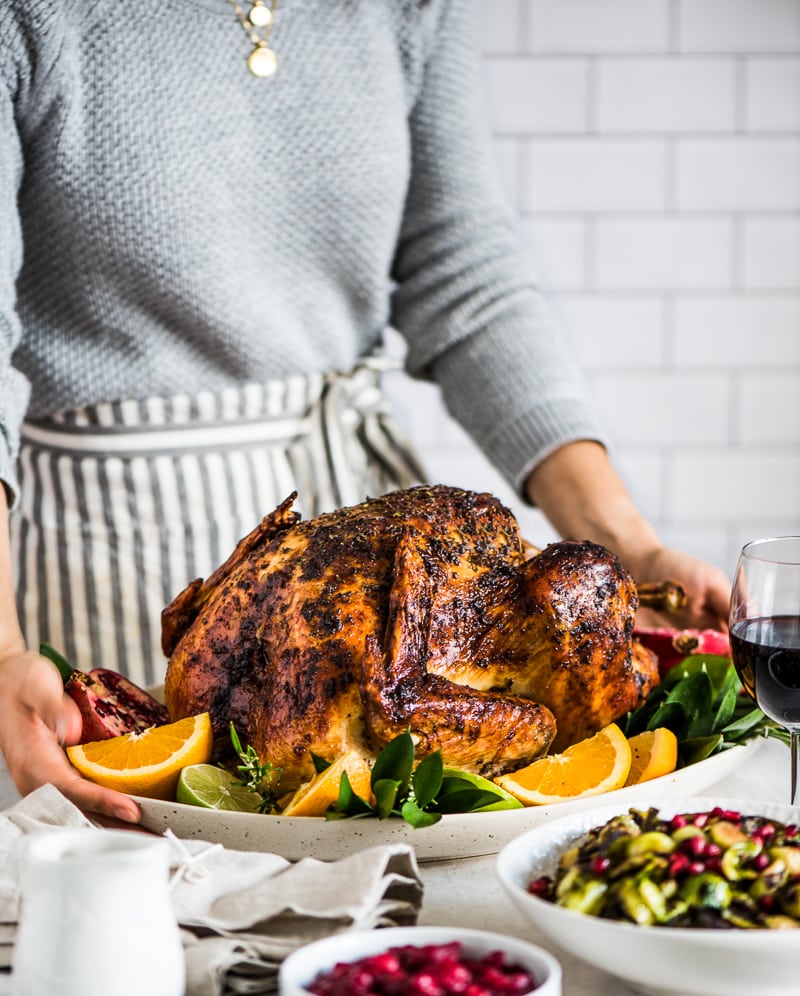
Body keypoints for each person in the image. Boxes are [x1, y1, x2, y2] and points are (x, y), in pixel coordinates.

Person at [0, 0, 730, 822]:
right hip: (106, 535)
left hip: (361, 528)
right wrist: (0, 650)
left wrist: (631, 547)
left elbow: (465, 276)